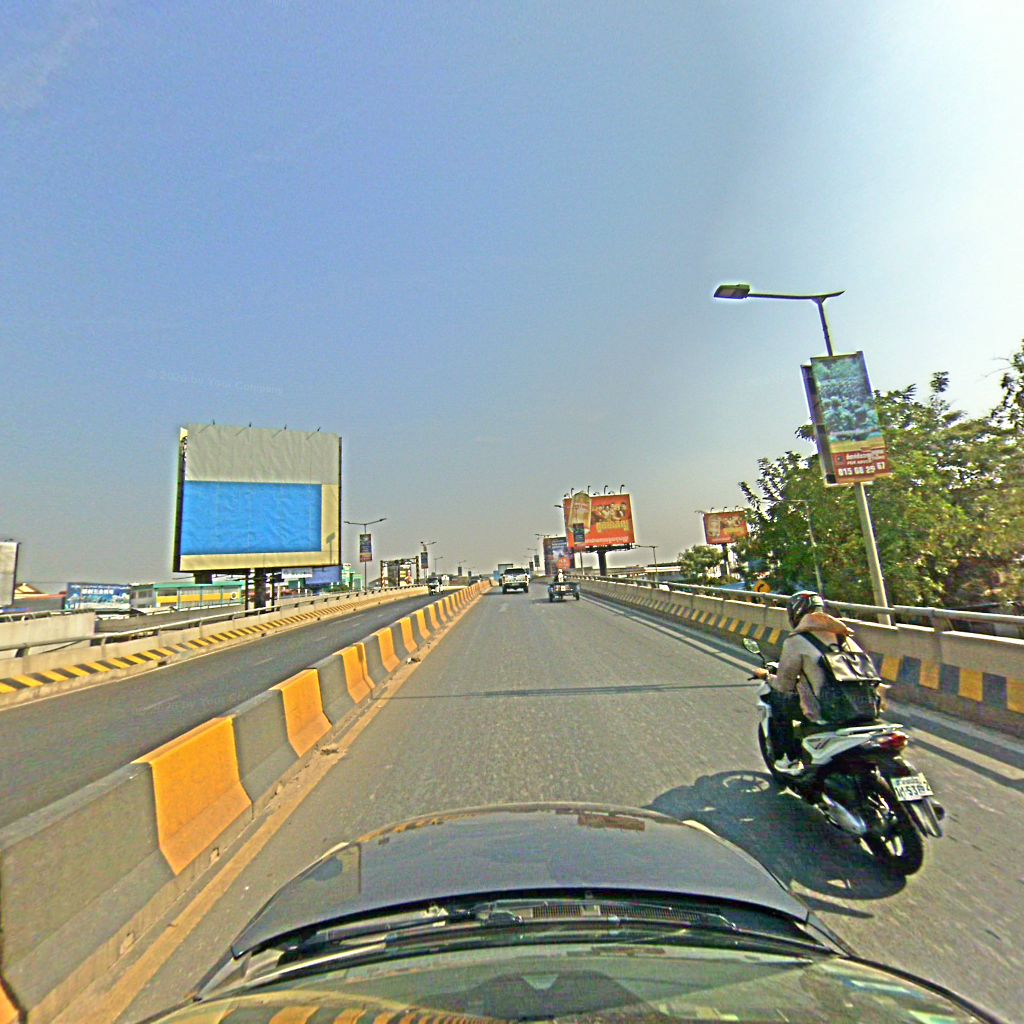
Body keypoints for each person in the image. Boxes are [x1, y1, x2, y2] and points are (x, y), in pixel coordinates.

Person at [756, 591, 873, 775]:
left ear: (795, 614)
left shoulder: (796, 641)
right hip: (864, 707)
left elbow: (784, 685)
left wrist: (766, 676)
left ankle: (787, 759)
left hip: (829, 709)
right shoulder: (845, 637)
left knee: (778, 701)